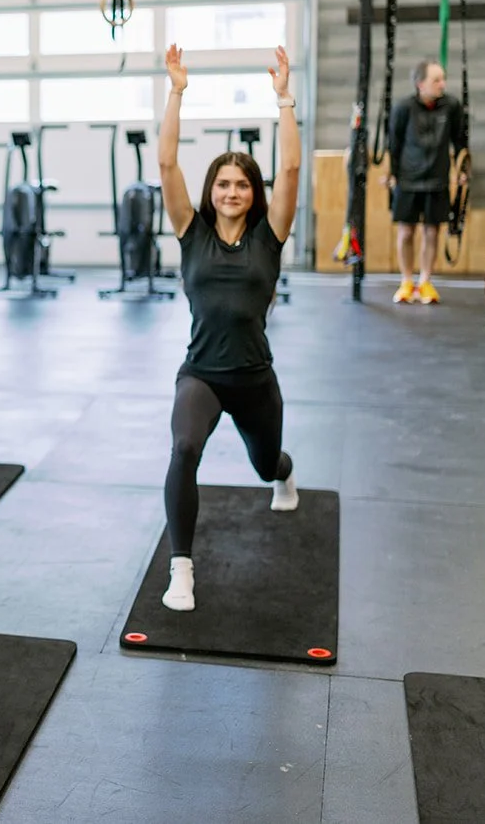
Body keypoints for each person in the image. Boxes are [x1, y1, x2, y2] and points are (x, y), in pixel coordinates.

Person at [156, 43, 302, 612]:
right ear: (211, 191)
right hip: (202, 375)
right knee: (183, 448)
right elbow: (167, 164)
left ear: (253, 192)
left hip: (255, 377)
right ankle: (182, 568)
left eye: (242, 184)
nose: (232, 192)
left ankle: (284, 477)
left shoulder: (272, 236)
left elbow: (290, 167)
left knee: (267, 463)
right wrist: (177, 91)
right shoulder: (190, 231)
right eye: (223, 183)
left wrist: (284, 99)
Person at [385, 59, 470, 304]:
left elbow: (460, 141)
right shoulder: (403, 109)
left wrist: (462, 169)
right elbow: (394, 144)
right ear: (420, 84)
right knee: (405, 232)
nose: (442, 84)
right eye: (436, 80)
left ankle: (425, 282)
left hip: (437, 179)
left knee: (432, 232)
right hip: (408, 180)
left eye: (443, 79)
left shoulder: (452, 106)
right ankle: (406, 282)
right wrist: (392, 174)